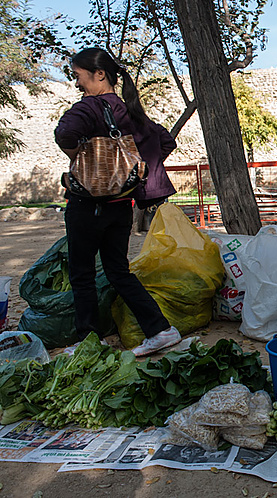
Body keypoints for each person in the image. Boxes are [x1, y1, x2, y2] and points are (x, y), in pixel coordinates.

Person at [54, 48, 180, 356]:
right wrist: (131, 171)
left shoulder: (92, 107)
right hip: (121, 206)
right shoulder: (129, 110)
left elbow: (65, 132)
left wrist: (81, 159)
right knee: (118, 271)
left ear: (99, 74)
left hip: (88, 206)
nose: (77, 84)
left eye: (79, 76)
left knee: (82, 275)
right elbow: (165, 141)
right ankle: (161, 330)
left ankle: (88, 342)